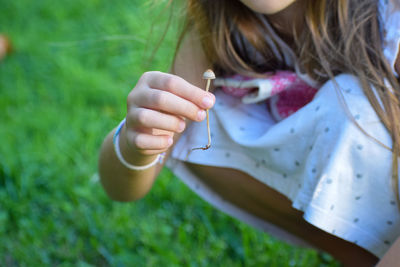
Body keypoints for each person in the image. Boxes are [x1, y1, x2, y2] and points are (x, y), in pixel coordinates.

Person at [98, 0, 400, 266]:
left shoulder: (388, 17)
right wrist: (135, 141)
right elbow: (121, 190)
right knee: (202, 125)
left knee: (350, 105)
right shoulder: (218, 23)